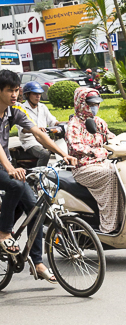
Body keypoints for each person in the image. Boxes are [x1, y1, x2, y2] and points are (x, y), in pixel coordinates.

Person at [0, 70, 66, 281]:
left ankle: (37, 263)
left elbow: (38, 133)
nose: (14, 95)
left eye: (16, 90)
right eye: (9, 90)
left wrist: (64, 154)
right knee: (16, 185)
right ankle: (4, 232)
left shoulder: (14, 110)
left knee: (35, 210)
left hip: (5, 163)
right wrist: (10, 168)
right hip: (2, 165)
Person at [64, 88, 126, 233]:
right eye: (91, 104)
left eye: (97, 104)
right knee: (112, 174)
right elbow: (75, 146)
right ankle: (108, 225)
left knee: (124, 171)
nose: (95, 107)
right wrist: (95, 151)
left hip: (103, 163)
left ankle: (124, 217)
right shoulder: (74, 124)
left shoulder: (98, 122)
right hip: (83, 167)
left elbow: (110, 137)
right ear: (81, 103)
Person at [16, 82, 63, 166]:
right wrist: (36, 130)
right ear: (27, 95)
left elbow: (53, 122)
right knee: (44, 154)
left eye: (39, 94)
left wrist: (67, 123)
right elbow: (22, 129)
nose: (38, 96)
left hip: (45, 139)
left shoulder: (42, 107)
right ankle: (39, 173)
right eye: (35, 94)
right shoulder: (21, 108)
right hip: (30, 142)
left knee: (64, 149)